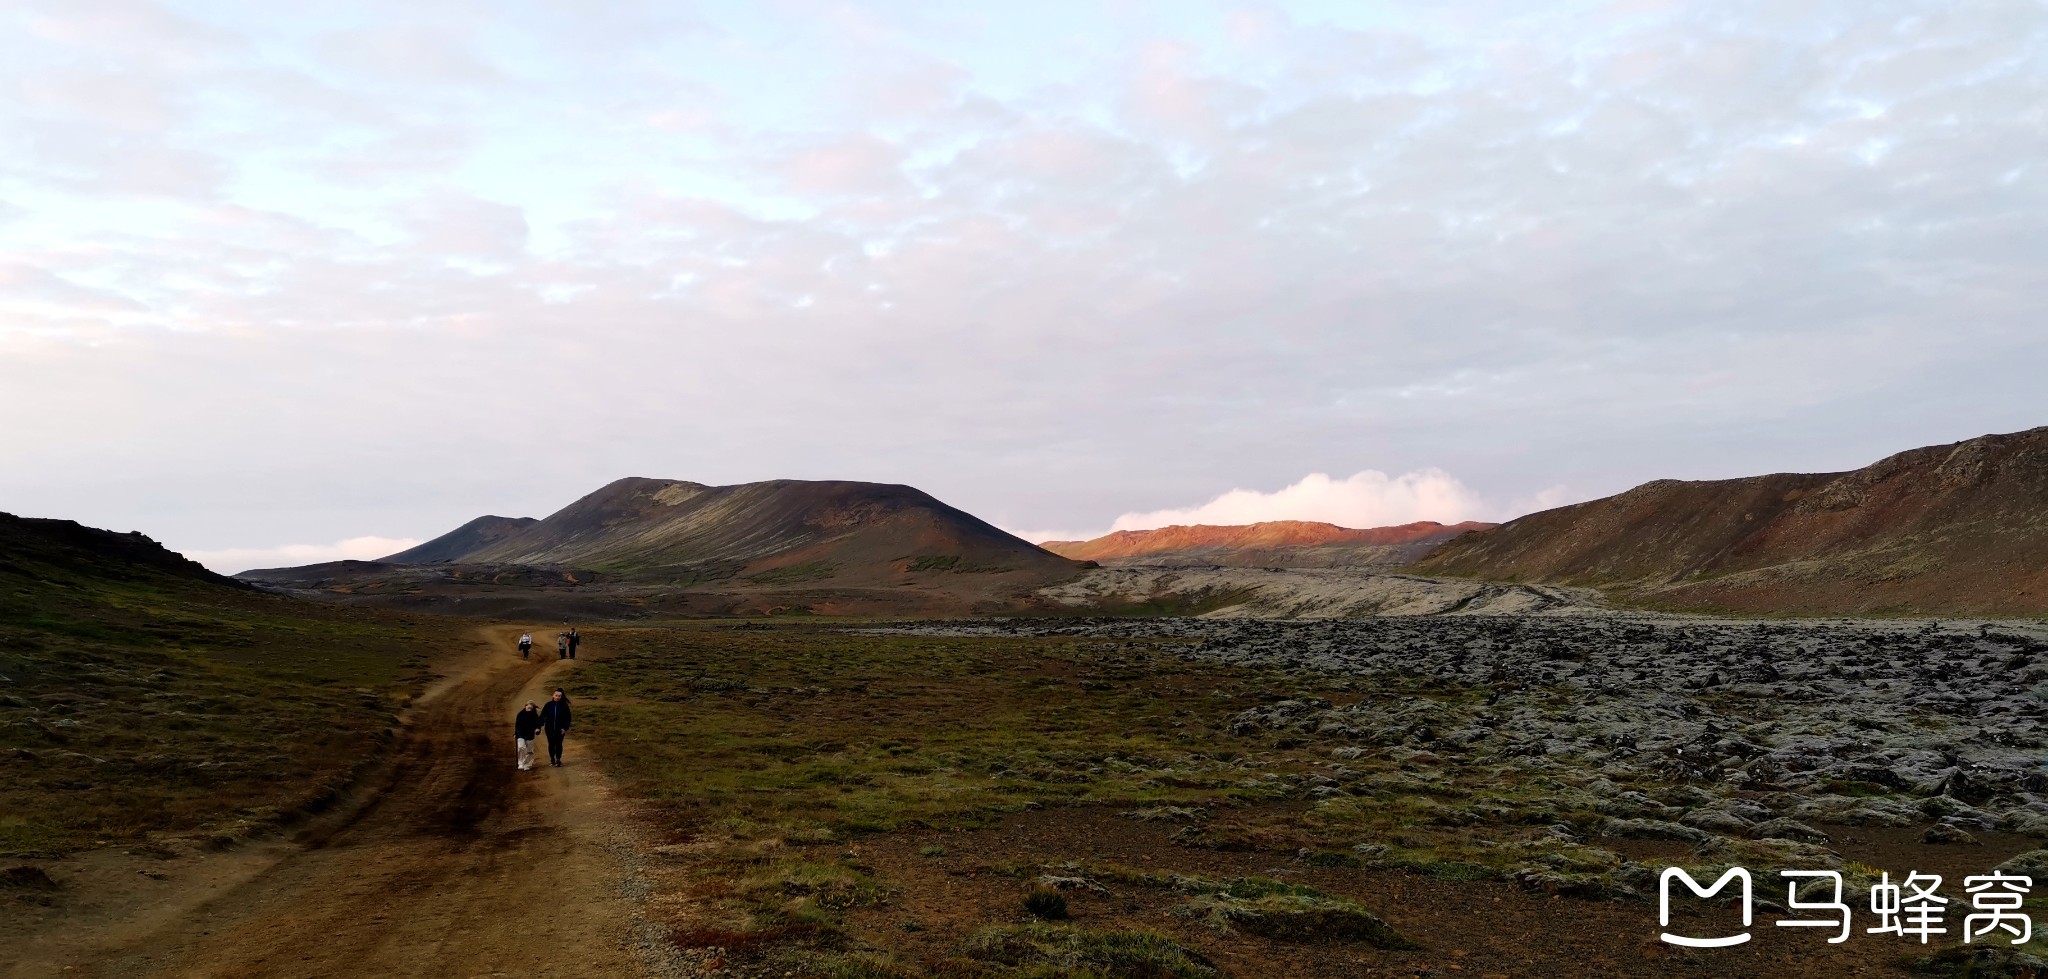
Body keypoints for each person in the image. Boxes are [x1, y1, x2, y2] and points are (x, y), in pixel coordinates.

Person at [538, 688, 572, 767]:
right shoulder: (548, 705)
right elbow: (542, 716)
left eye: (559, 696)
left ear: (561, 697)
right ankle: (552, 759)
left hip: (560, 729)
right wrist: (539, 726)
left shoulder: (564, 706)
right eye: (556, 695)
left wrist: (565, 728)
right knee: (551, 744)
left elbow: (568, 718)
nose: (557, 697)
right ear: (553, 696)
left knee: (559, 744)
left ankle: (558, 759)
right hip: (549, 729)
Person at [514, 702, 542, 771]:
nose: (529, 709)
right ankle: (521, 763)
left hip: (530, 734)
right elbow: (517, 724)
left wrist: (537, 729)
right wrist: (515, 733)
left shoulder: (535, 715)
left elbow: (538, 724)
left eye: (531, 708)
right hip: (521, 733)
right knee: (521, 747)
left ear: (533, 709)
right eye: (528, 707)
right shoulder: (520, 714)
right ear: (525, 706)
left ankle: (528, 765)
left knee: (530, 751)